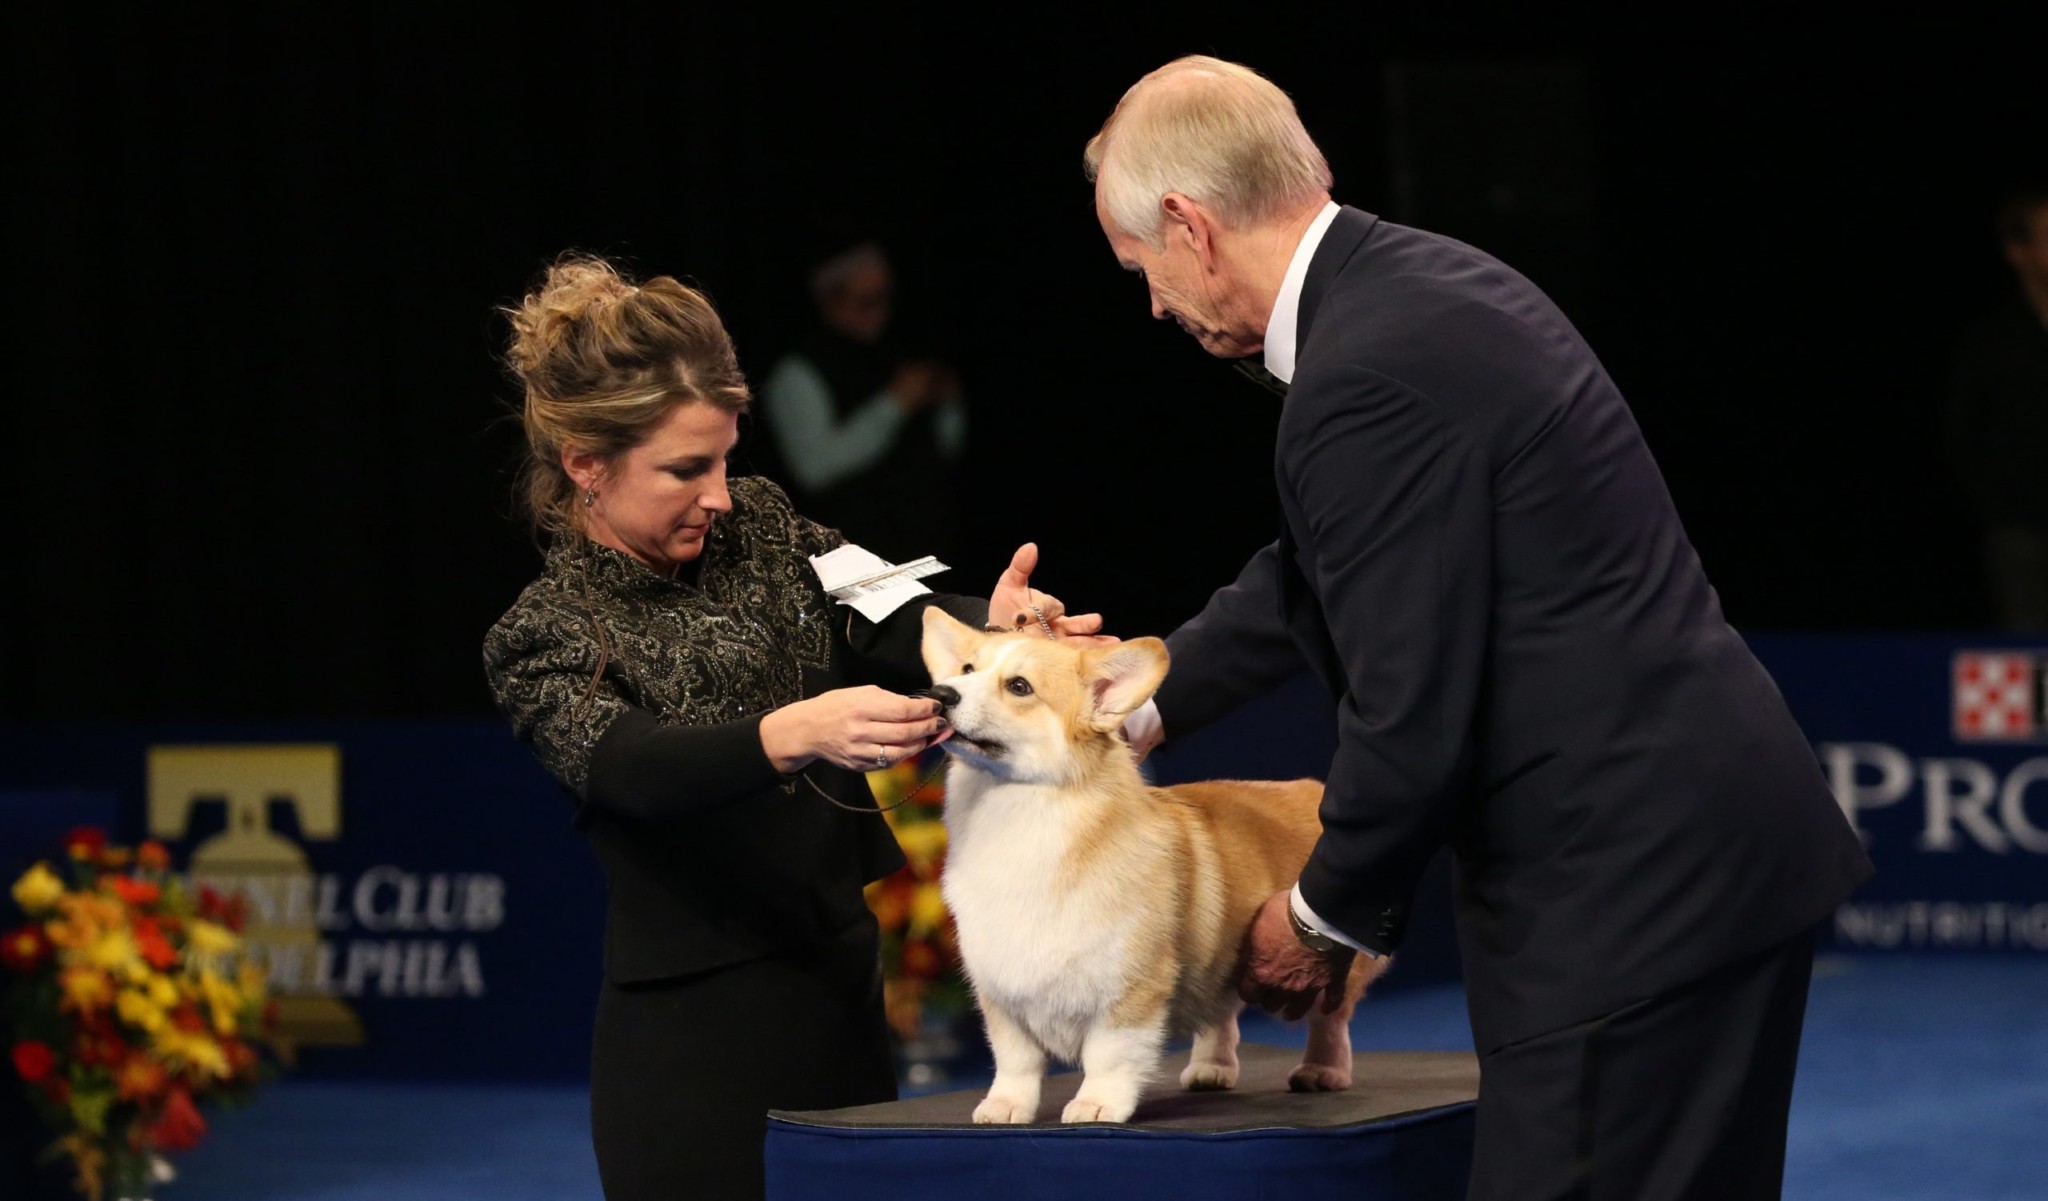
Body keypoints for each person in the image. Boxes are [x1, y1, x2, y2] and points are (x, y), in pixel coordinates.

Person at [1085, 57, 1873, 1200]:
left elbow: (1408, 708)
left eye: (1140, 269)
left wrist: (1318, 912)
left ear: (1188, 226)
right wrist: (1130, 697)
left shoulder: (1361, 373)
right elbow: (1315, 571)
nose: (1153, 305)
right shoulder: (1421, 284)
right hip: (1692, 861)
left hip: (1623, 902)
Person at [480, 254, 1097, 1201]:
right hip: (687, 1043)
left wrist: (993, 632)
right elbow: (632, 769)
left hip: (840, 996)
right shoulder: (542, 634)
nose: (720, 493)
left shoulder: (763, 527)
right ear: (586, 465)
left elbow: (889, 615)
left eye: (724, 459)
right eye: (686, 469)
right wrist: (794, 729)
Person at [758, 238, 968, 567]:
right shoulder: (798, 371)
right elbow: (815, 468)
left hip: (924, 547)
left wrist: (949, 403)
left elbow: (942, 451)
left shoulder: (898, 352)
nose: (879, 313)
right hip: (849, 560)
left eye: (886, 298)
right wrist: (895, 404)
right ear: (829, 299)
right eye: (866, 301)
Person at [1944, 182, 2048, 632]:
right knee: (2029, 653)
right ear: (2017, 251)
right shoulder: (1991, 342)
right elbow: (1963, 435)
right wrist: (2004, 505)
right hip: (2022, 533)